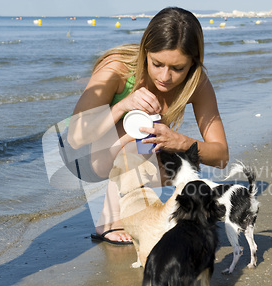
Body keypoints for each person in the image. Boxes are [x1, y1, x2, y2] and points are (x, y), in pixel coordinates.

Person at [66, 7, 228, 244]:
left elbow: (221, 156)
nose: (165, 76)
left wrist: (180, 141)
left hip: (140, 156)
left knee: (175, 162)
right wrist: (123, 106)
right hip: (91, 157)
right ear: (145, 51)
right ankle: (109, 219)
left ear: (193, 64)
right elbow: (75, 137)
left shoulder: (197, 82)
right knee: (138, 131)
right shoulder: (118, 68)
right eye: (157, 63)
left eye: (177, 68)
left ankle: (147, 210)